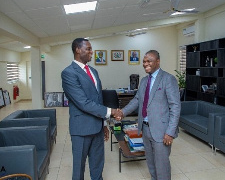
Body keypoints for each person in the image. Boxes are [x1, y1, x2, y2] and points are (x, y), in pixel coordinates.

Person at [61, 38, 122, 180]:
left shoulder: (93, 71)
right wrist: (111, 111)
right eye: (88, 49)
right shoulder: (69, 73)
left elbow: (98, 99)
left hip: (97, 128)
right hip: (81, 130)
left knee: (97, 166)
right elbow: (83, 102)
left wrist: (104, 123)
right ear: (77, 49)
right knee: (79, 169)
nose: (91, 52)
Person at [120, 50, 180, 180]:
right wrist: (122, 112)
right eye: (144, 61)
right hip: (145, 129)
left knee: (162, 166)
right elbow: (137, 100)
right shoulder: (144, 81)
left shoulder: (168, 79)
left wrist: (170, 132)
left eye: (149, 61)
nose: (145, 64)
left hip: (162, 131)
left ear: (158, 62)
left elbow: (175, 106)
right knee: (151, 164)